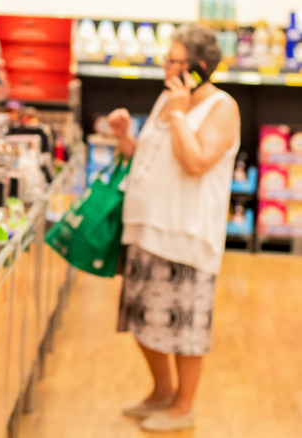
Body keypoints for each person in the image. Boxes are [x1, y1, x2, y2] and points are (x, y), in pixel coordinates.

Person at [107, 23, 241, 432]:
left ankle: (184, 405)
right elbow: (147, 159)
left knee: (183, 327)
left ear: (198, 67)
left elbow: (195, 162)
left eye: (174, 60)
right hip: (145, 229)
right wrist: (125, 137)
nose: (165, 65)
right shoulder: (169, 98)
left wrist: (181, 114)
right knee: (143, 320)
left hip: (184, 236)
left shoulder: (221, 107)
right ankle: (161, 392)